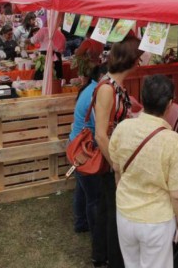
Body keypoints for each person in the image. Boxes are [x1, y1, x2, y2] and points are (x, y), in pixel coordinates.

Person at [109, 75, 178, 268]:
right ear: (170, 104)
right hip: (156, 222)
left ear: (142, 98)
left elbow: (116, 169)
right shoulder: (173, 142)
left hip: (125, 213)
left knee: (131, 264)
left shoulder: (123, 128)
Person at [92, 35, 142, 268]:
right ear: (131, 60)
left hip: (115, 156)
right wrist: (116, 166)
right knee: (114, 214)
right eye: (139, 58)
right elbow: (100, 134)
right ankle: (114, 260)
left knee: (109, 210)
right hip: (109, 159)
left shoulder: (117, 85)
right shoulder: (107, 88)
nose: (141, 63)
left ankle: (103, 256)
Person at [69, 64, 107, 236]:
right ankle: (95, 232)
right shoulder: (96, 93)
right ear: (101, 76)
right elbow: (100, 128)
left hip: (76, 146)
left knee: (82, 188)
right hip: (85, 150)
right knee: (94, 196)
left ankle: (81, 222)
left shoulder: (91, 88)